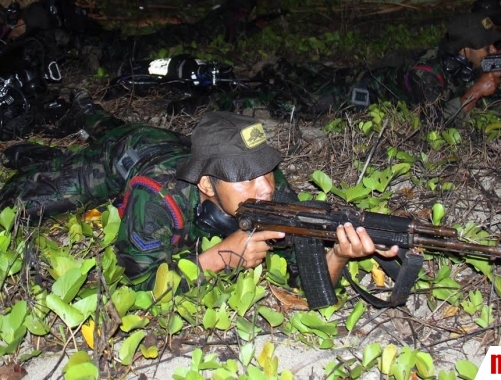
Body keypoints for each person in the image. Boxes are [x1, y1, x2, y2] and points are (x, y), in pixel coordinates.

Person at [0, 98, 398, 293]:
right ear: (206, 185)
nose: (264, 189)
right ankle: (51, 151)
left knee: (108, 125)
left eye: (266, 172)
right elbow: (138, 283)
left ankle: (87, 124)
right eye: (244, 179)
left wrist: (338, 255)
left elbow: (304, 280)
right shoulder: (157, 195)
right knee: (24, 199)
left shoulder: (268, 185)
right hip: (128, 156)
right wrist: (221, 256)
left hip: (179, 146)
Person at [185, 12, 501, 123]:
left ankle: (276, 71)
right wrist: (474, 93)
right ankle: (218, 88)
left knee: (296, 79)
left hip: (361, 82)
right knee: (280, 98)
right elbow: (440, 127)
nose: (496, 49)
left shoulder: (463, 62)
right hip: (344, 94)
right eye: (489, 45)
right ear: (466, 48)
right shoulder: (428, 72)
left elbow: (495, 122)